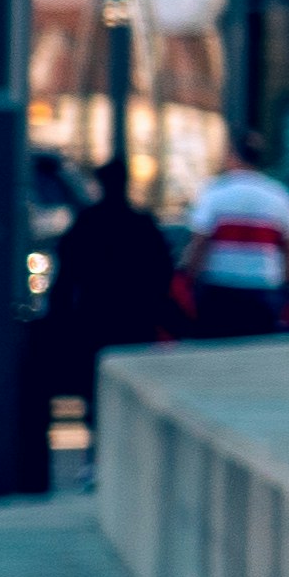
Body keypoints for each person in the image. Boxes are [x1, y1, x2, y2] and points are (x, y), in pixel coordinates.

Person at [37, 162, 185, 445]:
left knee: (95, 388)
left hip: (95, 317)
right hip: (135, 319)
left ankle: (97, 452)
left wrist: (58, 315)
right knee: (133, 385)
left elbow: (67, 277)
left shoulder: (87, 223)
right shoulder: (142, 224)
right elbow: (162, 274)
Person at [176, 150, 289, 334]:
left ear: (233, 157)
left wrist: (190, 279)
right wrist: (284, 287)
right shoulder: (280, 195)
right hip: (264, 287)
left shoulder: (214, 192)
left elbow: (199, 243)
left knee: (217, 349)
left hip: (219, 286)